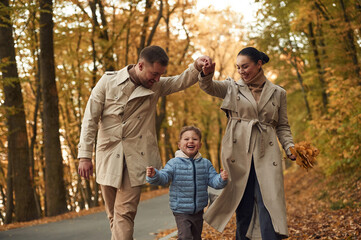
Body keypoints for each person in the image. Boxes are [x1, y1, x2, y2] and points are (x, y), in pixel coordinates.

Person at [77, 45, 212, 240]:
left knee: (124, 212)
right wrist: (84, 156)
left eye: (160, 75)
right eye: (154, 74)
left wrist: (196, 66)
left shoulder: (155, 85)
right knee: (114, 216)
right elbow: (90, 119)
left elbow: (179, 81)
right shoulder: (108, 81)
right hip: (108, 155)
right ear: (140, 65)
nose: (157, 79)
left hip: (137, 158)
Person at [198, 47, 296, 239]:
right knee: (243, 204)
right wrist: (206, 74)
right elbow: (209, 87)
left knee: (270, 201)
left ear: (259, 64)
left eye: (245, 66)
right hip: (238, 151)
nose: (241, 71)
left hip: (266, 152)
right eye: (238, 67)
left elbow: (283, 126)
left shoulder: (278, 93)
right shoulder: (231, 87)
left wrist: (289, 146)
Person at [146, 126, 228, 240]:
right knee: (185, 236)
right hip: (181, 210)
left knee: (196, 237)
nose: (190, 141)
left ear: (200, 145)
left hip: (199, 210)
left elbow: (213, 181)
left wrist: (222, 178)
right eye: (186, 139)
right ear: (179, 145)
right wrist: (154, 175)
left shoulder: (205, 164)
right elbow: (164, 177)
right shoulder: (174, 163)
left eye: (194, 139)